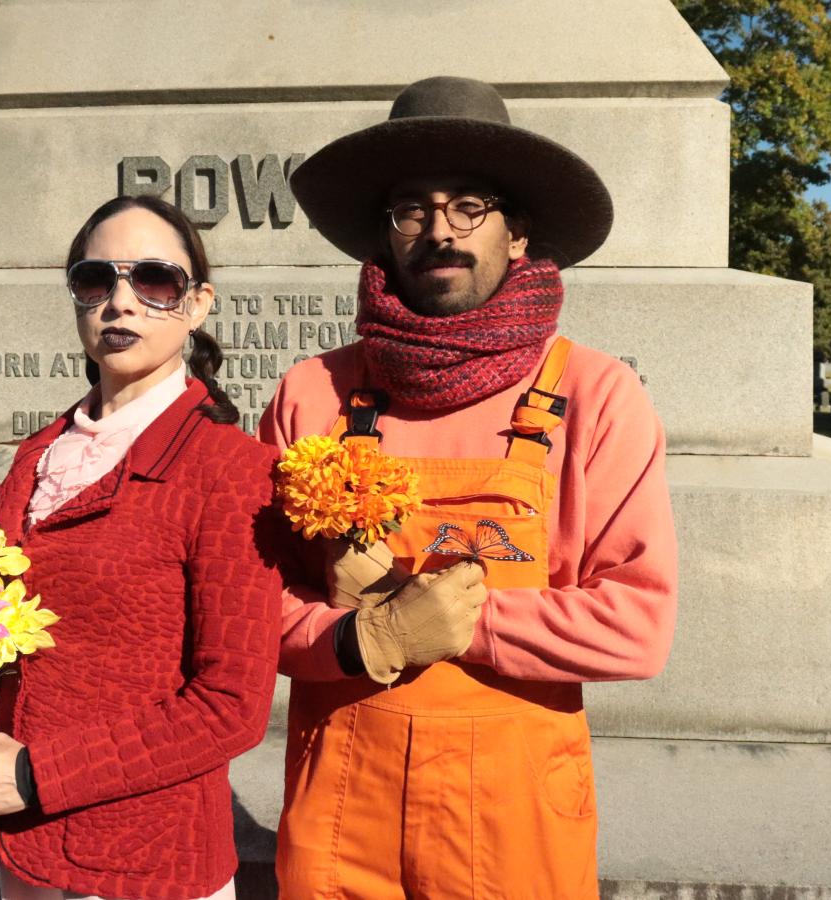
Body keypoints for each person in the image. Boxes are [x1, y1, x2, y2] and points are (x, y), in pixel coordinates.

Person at [261, 76, 679, 898]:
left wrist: (455, 619)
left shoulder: (597, 395)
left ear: (518, 232)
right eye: (411, 209)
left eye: (469, 208)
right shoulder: (312, 392)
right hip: (344, 803)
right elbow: (242, 604)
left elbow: (638, 625)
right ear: (385, 234)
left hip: (516, 813)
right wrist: (361, 641)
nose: (439, 232)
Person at [0, 195, 283, 900]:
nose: (120, 302)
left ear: (198, 303)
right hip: (26, 852)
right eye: (96, 280)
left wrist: (36, 773)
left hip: (148, 863)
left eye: (154, 281)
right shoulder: (36, 458)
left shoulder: (231, 468)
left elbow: (231, 706)